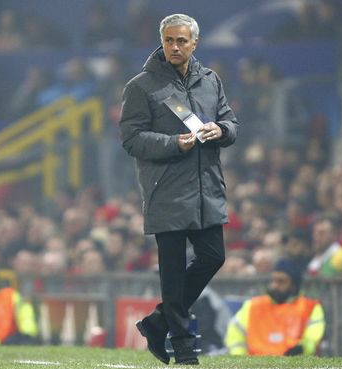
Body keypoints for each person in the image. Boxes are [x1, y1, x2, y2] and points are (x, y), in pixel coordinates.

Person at [119, 13, 238, 365]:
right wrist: (174, 143)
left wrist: (223, 130)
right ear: (161, 41)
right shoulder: (141, 86)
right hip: (166, 189)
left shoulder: (210, 80)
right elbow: (131, 139)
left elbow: (230, 120)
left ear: (194, 43)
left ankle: (157, 323)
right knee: (171, 274)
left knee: (214, 256)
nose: (174, 46)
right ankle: (184, 348)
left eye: (181, 41)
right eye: (169, 40)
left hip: (206, 187)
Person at [224, 259, 325, 356]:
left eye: (281, 281)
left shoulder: (309, 307)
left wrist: (302, 350)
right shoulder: (253, 305)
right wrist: (241, 359)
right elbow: (235, 334)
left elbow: (312, 339)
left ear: (294, 285)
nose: (274, 285)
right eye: (273, 280)